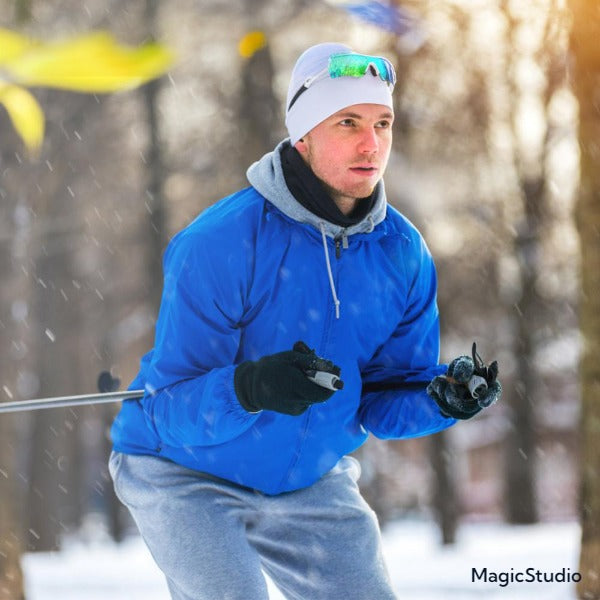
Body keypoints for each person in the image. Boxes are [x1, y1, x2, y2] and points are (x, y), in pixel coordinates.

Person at [109, 42, 501, 600]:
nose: (372, 144)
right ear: (303, 134)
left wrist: (440, 398)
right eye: (348, 122)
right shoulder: (220, 242)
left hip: (307, 481)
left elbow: (381, 399)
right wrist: (250, 386)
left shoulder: (402, 253)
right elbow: (169, 406)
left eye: (383, 123)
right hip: (183, 472)